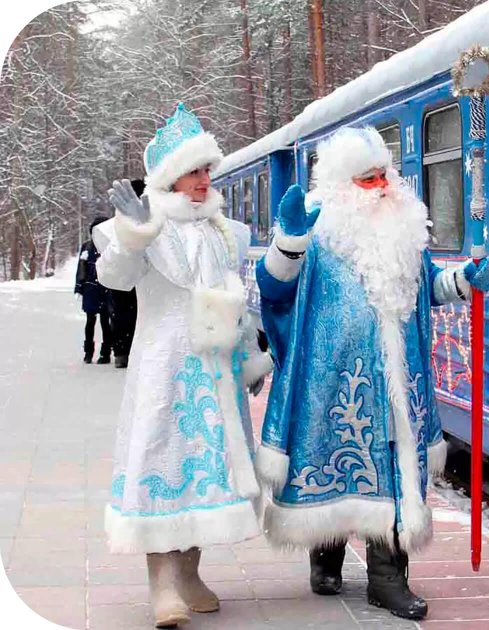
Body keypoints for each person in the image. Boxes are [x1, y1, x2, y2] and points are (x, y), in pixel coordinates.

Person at [254, 127, 489, 621]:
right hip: (331, 379)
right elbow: (275, 291)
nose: (383, 186)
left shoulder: (403, 228)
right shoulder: (316, 229)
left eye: (384, 175)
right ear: (343, 184)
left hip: (398, 379)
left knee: (392, 465)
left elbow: (427, 286)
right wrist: (288, 243)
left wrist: (461, 282)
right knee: (333, 461)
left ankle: (387, 578)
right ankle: (326, 552)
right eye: (368, 179)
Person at [92, 103, 273, 628]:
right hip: (164, 368)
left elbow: (233, 298)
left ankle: (190, 573)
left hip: (215, 372)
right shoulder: (145, 224)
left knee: (208, 473)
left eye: (206, 169)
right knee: (164, 462)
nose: (203, 179)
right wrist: (134, 232)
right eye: (193, 171)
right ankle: (162, 584)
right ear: (170, 177)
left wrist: (249, 357)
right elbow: (116, 278)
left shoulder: (225, 231)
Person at [108, 179, 143, 369]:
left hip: (123, 283)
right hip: (135, 282)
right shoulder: (152, 220)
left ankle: (122, 352)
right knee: (134, 317)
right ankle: (126, 352)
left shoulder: (118, 223)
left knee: (122, 317)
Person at [75, 216, 113, 364]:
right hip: (90, 288)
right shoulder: (87, 246)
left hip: (106, 289)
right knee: (90, 321)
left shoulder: (110, 246)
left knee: (105, 322)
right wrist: (79, 286)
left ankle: (105, 353)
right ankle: (88, 352)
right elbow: (81, 267)